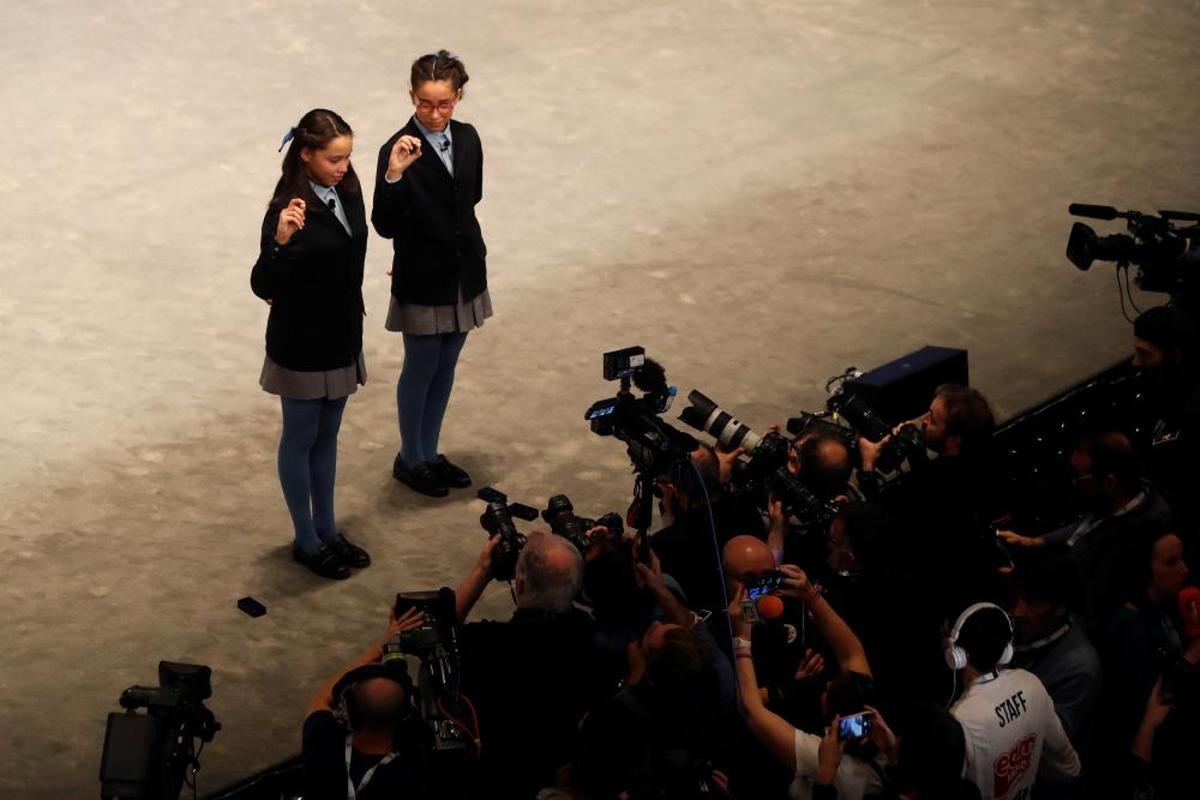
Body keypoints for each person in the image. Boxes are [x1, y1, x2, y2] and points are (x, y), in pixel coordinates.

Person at [251, 108, 372, 580]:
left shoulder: (349, 189)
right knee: (301, 438)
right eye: (333, 159)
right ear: (306, 155)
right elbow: (263, 284)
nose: (343, 167)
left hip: (341, 335)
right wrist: (280, 242)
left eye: (347, 157)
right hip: (302, 344)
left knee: (328, 437)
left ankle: (327, 528)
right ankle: (306, 538)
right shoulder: (286, 209)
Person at [372, 50, 491, 498]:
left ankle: (430, 451)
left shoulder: (469, 138)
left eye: (444, 103)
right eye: (425, 103)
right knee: (421, 366)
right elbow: (384, 223)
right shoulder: (396, 150)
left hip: (464, 271)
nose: (435, 113)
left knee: (446, 366)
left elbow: (471, 196)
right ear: (412, 97)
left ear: (458, 97)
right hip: (422, 277)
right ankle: (411, 458)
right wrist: (394, 176)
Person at [453, 530, 611, 798]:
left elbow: (442, 629)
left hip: (503, 778)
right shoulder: (592, 635)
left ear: (520, 585)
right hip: (569, 769)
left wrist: (482, 571)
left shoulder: (490, 644)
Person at [731, 565, 886, 800]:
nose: (826, 684)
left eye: (828, 689)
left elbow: (751, 710)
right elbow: (852, 652)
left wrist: (742, 635)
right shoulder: (878, 740)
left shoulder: (820, 756)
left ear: (833, 722)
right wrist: (810, 596)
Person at [857, 385, 1003, 619]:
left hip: (926, 585)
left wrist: (867, 467)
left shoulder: (936, 485)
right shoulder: (979, 464)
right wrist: (916, 452)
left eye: (932, 420)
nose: (923, 420)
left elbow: (880, 517)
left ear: (953, 440)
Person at [999, 429, 1174, 624]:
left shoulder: (1138, 537)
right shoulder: (1119, 501)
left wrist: (1026, 586)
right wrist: (1036, 541)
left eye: (1079, 476)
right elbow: (1085, 526)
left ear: (1109, 483)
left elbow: (1088, 593)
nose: (1074, 483)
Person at [1096, 526, 1199, 792]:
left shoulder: (1166, 604)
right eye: (1171, 562)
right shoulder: (1129, 628)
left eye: (1182, 558)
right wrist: (1193, 652)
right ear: (1144, 571)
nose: (1185, 570)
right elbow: (1155, 704)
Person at [945, 603, 1080, 800]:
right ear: (1006, 649)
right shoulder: (1031, 684)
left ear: (956, 654)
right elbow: (1068, 765)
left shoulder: (959, 721)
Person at [301, 606, 429, 799]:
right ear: (404, 714)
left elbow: (323, 697)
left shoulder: (322, 741)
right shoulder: (412, 772)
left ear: (351, 711)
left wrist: (380, 646)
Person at [1006, 551, 1102, 762]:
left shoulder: (1080, 668)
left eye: (1032, 601)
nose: (1017, 612)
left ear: (1060, 607)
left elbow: (1046, 746)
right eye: (1017, 596)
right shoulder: (1021, 626)